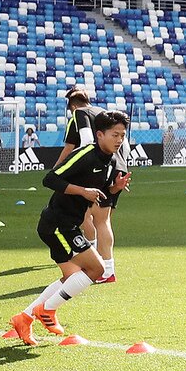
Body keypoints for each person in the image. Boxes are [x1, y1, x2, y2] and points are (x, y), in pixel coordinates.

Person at [10, 110, 131, 345]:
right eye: (115, 134)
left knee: (72, 277)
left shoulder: (113, 162)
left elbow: (98, 194)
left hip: (68, 224)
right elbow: (50, 179)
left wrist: (114, 189)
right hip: (57, 223)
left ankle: (24, 318)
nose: (119, 140)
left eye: (122, 135)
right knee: (96, 270)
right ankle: (47, 311)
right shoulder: (85, 154)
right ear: (99, 134)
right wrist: (82, 191)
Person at [55, 88, 122, 283]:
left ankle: (101, 266)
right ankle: (102, 265)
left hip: (97, 167)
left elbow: (81, 143)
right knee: (102, 219)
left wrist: (60, 169)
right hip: (115, 166)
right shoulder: (102, 113)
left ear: (73, 105)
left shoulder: (79, 113)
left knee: (86, 215)